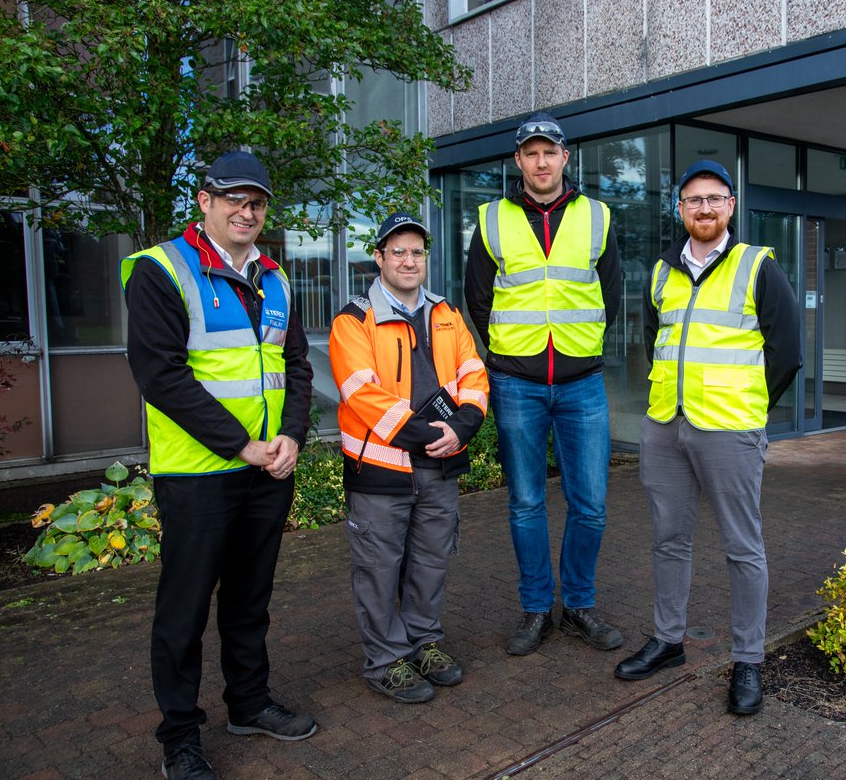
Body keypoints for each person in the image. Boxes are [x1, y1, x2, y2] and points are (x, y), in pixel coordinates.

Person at [121, 151, 316, 780]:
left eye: (256, 201)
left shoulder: (276, 278)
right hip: (198, 474)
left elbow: (297, 370)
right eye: (233, 197)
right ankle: (180, 738)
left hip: (267, 470)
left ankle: (249, 703)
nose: (246, 210)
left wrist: (289, 437)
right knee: (184, 610)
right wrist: (242, 444)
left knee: (249, 600)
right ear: (203, 201)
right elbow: (162, 376)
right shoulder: (162, 271)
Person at [614, 160, 802, 716]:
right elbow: (656, 343)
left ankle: (748, 660)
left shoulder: (757, 267)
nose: (703, 208)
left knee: (743, 547)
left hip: (730, 430)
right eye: (693, 200)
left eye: (714, 199)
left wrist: (748, 410)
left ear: (731, 207)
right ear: (679, 208)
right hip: (666, 426)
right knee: (669, 539)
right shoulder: (661, 273)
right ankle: (668, 640)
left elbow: (786, 352)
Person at [464, 111, 624, 656]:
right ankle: (536, 609)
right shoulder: (491, 219)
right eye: (530, 153)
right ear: (518, 161)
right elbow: (478, 298)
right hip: (518, 382)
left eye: (548, 152)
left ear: (565, 157)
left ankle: (578, 604)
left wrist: (582, 347)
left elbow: (612, 293)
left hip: (582, 382)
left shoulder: (598, 216)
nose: (540, 161)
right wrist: (511, 357)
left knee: (592, 504)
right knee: (526, 503)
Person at [329, 212, 489, 704]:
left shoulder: (447, 314)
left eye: (416, 251)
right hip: (380, 469)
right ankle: (383, 660)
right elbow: (363, 394)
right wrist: (430, 433)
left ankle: (423, 641)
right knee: (378, 567)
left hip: (439, 465)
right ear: (378, 259)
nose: (408, 259)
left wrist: (463, 426)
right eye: (396, 251)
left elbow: (474, 375)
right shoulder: (353, 320)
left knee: (430, 560)